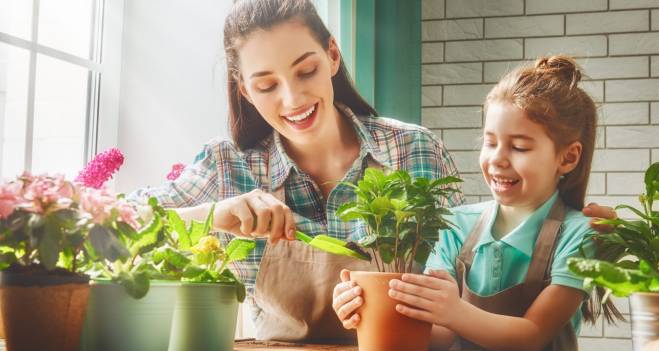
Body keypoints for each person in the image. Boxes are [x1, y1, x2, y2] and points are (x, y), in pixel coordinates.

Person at [135, 0, 616, 343]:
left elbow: (470, 284)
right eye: (266, 85)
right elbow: (114, 223)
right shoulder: (227, 166)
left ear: (332, 56)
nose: (293, 99)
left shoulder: (413, 151)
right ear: (243, 89)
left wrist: (569, 227)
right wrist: (212, 214)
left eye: (305, 71)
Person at [332, 56, 620, 350]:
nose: (497, 158)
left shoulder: (580, 235)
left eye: (519, 147)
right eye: (490, 142)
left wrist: (455, 311)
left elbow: (533, 334)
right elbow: (440, 336)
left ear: (568, 157)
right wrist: (366, 310)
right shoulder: (454, 224)